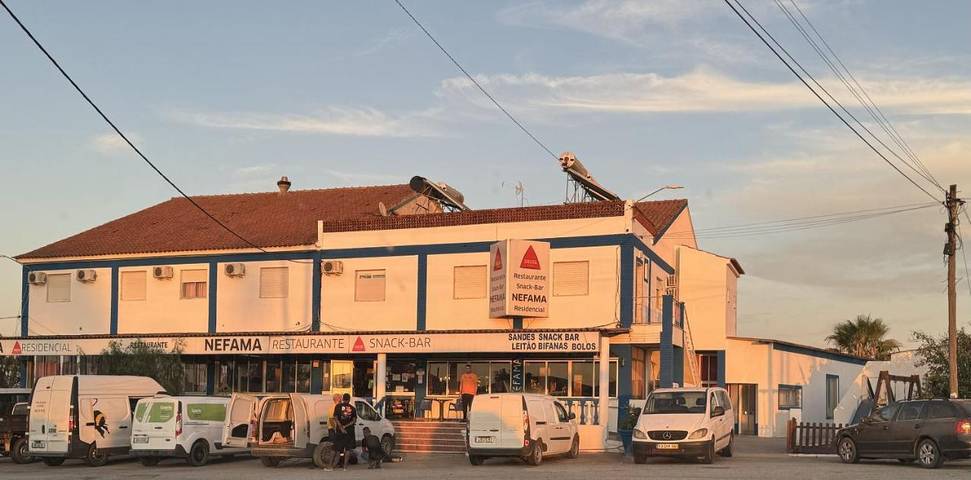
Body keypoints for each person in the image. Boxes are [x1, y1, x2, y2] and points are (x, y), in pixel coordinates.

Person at [328, 393, 357, 471]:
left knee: (334, 448)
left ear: (343, 399)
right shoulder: (353, 408)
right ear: (349, 399)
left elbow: (335, 418)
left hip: (339, 431)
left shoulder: (338, 406)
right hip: (349, 431)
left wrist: (341, 427)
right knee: (347, 449)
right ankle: (345, 467)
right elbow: (354, 421)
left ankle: (330, 467)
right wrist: (346, 426)